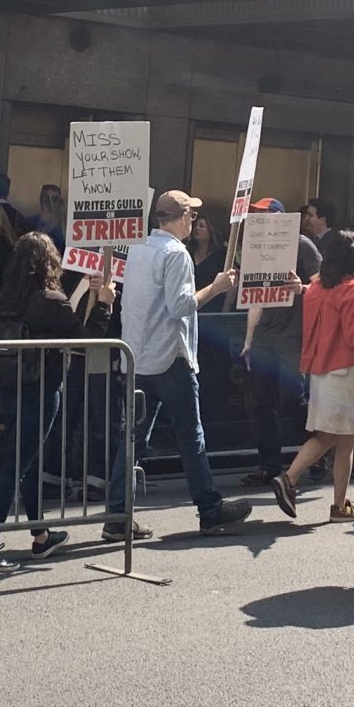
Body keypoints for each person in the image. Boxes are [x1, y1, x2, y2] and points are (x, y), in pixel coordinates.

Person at [110, 189, 250, 538]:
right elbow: (181, 306)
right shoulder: (176, 255)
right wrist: (216, 287)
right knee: (192, 437)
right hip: (171, 356)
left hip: (138, 356)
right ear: (183, 217)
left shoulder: (138, 248)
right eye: (191, 215)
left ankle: (116, 515)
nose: (192, 221)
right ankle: (209, 508)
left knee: (133, 439)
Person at [0, 233, 103, 571]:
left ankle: (41, 535)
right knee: (16, 467)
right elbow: (87, 340)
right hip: (40, 389)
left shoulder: (2, 302)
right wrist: (104, 303)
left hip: (6, 390)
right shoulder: (50, 300)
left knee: (23, 462)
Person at [275, 229, 354, 521]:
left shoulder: (319, 286)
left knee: (343, 440)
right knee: (331, 436)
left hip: (321, 367)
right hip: (347, 370)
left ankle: (339, 504)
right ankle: (290, 478)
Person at [241, 196, 322, 489]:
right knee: (259, 402)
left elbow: (323, 285)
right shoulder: (256, 247)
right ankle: (268, 465)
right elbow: (255, 297)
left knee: (293, 398)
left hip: (293, 335)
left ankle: (315, 455)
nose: (260, 220)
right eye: (256, 216)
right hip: (266, 334)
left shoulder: (302, 245)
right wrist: (250, 339)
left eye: (265, 215)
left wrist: (302, 288)